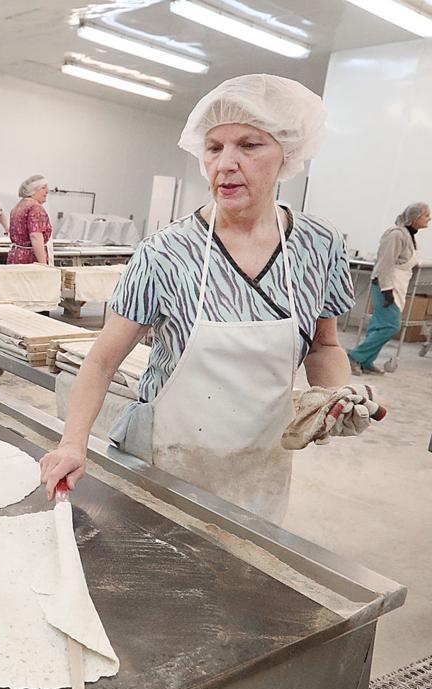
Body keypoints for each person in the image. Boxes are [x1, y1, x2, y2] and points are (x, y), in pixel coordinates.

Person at [40, 75, 379, 524]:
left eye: (249, 145)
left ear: (288, 154)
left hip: (260, 467)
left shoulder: (320, 244)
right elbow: (102, 360)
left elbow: (325, 346)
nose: (226, 164)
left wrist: (334, 395)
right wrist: (72, 442)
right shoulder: (165, 252)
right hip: (162, 461)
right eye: (215, 147)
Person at [348, 202, 430, 374]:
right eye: (426, 215)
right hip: (386, 285)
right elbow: (385, 263)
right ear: (414, 218)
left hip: (397, 285)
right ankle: (355, 356)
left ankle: (366, 361)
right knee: (391, 326)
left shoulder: (409, 235)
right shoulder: (396, 235)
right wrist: (386, 291)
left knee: (379, 325)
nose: (429, 218)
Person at [8, 175, 52, 264]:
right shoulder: (35, 208)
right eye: (43, 188)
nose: (47, 191)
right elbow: (36, 236)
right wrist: (43, 265)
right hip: (30, 260)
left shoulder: (19, 206)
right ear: (33, 191)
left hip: (16, 256)